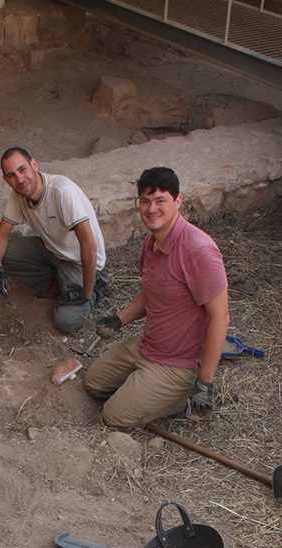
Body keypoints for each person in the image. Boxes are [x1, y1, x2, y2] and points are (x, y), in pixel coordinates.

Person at [84, 167, 230, 428]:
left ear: (177, 201)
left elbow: (221, 315)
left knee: (113, 417)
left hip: (178, 363)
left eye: (160, 200)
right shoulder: (151, 242)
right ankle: (145, 388)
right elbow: (153, 291)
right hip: (147, 346)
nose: (152, 209)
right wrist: (119, 320)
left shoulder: (198, 250)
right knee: (93, 383)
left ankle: (183, 396)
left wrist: (205, 382)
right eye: (145, 201)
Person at [0, 147, 108, 334]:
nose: (20, 180)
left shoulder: (62, 191)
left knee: (66, 321)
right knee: (3, 254)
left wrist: (85, 293)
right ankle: (59, 281)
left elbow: (89, 246)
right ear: (6, 180)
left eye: (23, 170)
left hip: (78, 261)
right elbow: (2, 233)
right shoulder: (19, 194)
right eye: (12, 175)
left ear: (34, 164)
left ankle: (95, 286)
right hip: (53, 251)